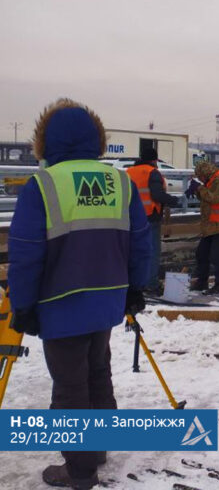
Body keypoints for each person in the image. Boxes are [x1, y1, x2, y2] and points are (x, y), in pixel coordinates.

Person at [8, 98, 151, 489]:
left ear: (44, 142)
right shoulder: (118, 181)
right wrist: (136, 287)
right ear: (96, 138)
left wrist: (22, 305)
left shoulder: (43, 185)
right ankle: (97, 449)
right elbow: (140, 241)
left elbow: (24, 253)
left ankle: (80, 470)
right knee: (98, 372)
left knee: (70, 386)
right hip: (107, 301)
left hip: (60, 306)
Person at [126, 140, 179, 296]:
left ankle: (134, 284)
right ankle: (151, 285)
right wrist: (175, 201)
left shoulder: (129, 172)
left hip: (130, 218)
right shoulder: (152, 172)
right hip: (149, 217)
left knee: (134, 251)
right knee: (152, 251)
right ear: (154, 160)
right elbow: (157, 195)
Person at [186, 160, 219, 295]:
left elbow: (214, 198)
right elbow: (207, 197)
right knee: (202, 253)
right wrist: (196, 191)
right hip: (211, 225)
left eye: (200, 176)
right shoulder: (211, 179)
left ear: (205, 172)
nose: (200, 179)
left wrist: (199, 188)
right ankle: (202, 282)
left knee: (218, 256)